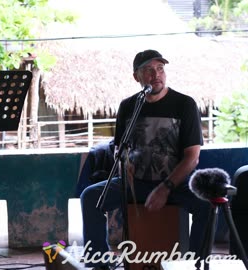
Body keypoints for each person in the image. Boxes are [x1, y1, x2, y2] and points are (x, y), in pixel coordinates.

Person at [80, 49, 211, 269]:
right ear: (136, 77)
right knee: (91, 197)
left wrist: (166, 187)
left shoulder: (184, 104)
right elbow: (118, 147)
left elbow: (192, 157)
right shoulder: (128, 106)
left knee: (206, 204)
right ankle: (100, 263)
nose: (156, 74)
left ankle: (198, 263)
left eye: (160, 69)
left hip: (174, 184)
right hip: (135, 183)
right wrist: (123, 164)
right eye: (148, 70)